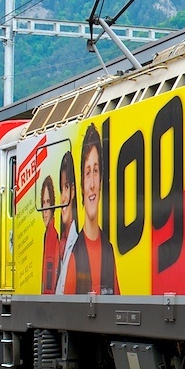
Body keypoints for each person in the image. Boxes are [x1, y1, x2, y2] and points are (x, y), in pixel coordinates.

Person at [63, 124, 120, 295]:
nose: (93, 184)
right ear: (81, 185)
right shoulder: (74, 256)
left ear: (101, 180)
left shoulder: (109, 251)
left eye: (96, 171)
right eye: (88, 173)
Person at [54, 151, 78, 295]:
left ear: (73, 191)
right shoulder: (61, 243)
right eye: (61, 189)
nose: (63, 198)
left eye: (67, 187)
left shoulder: (78, 243)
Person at [39, 176, 60, 294]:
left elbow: (49, 285)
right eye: (43, 203)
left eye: (48, 202)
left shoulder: (52, 237)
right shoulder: (47, 235)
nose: (45, 209)